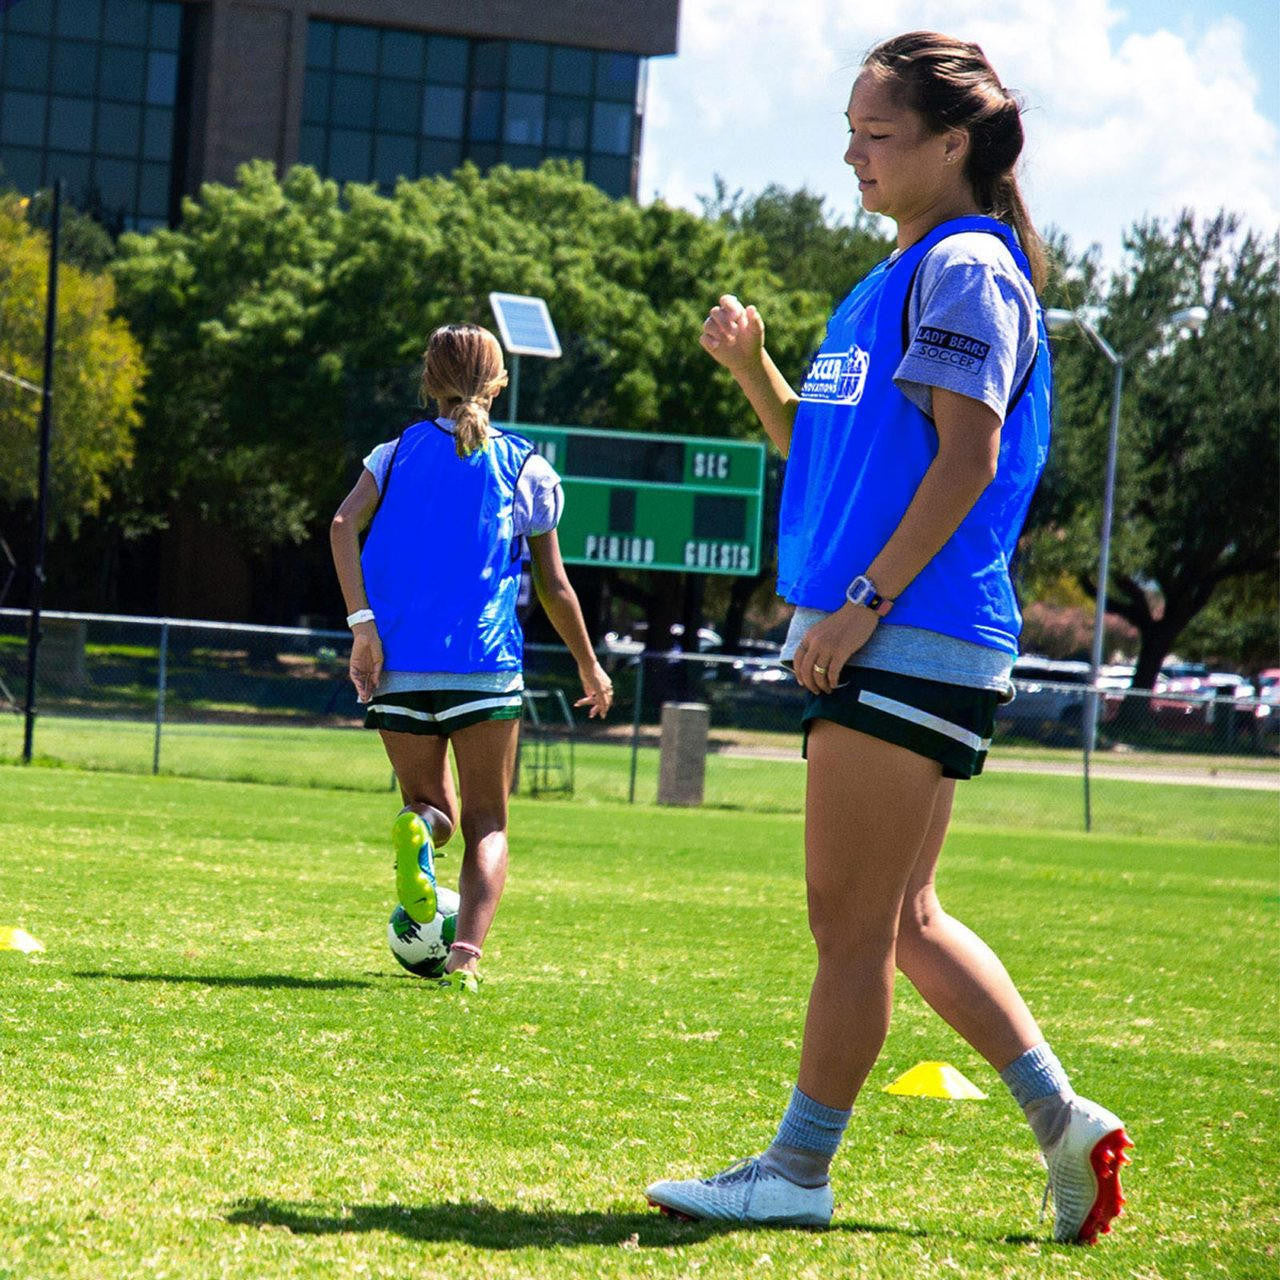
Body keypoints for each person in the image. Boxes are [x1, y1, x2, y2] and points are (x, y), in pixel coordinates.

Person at [645, 32, 1131, 1243]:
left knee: (848, 925)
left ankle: (796, 1172)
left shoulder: (965, 266)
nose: (850, 153)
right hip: (903, 629)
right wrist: (755, 370)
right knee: (904, 918)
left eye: (877, 132)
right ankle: (1064, 1118)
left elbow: (965, 461)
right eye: (849, 130)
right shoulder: (899, 272)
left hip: (904, 634)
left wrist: (859, 605)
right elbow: (823, 463)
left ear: (950, 144)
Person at [330, 323, 612, 987]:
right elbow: (554, 585)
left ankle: (419, 829)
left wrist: (362, 626)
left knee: (435, 811)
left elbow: (342, 525)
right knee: (487, 822)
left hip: (397, 665)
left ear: (427, 383)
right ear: (500, 384)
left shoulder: (392, 455)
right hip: (485, 668)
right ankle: (465, 960)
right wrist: (589, 665)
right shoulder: (524, 465)